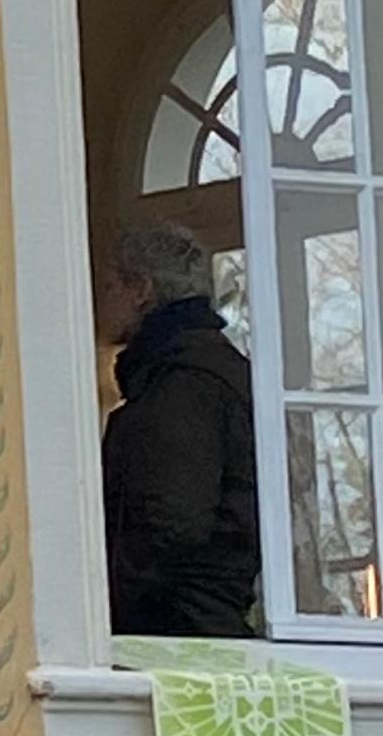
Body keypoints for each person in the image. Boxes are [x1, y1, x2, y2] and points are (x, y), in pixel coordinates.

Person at [97, 219, 263, 638]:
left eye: (110, 286)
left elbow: (170, 521)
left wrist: (105, 602)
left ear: (141, 289)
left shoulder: (185, 382)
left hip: (178, 631)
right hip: (201, 624)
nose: (100, 299)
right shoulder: (202, 370)